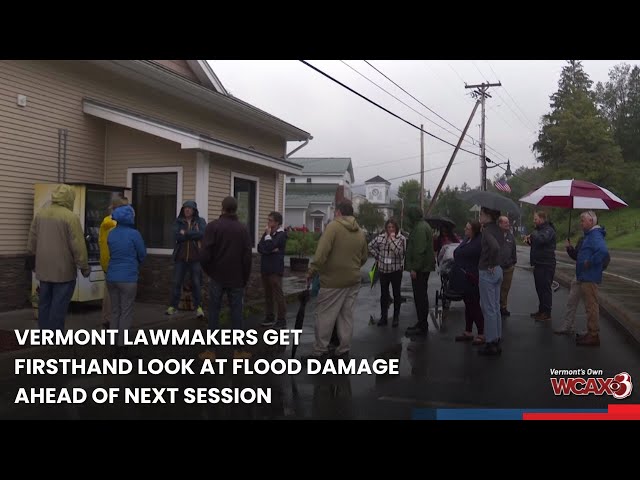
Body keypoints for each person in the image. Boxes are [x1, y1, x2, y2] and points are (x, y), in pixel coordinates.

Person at [304, 201, 368, 360]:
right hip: (353, 280)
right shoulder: (360, 231)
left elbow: (321, 253)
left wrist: (312, 270)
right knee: (346, 316)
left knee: (325, 315)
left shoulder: (333, 227)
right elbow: (364, 257)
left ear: (338, 212)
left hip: (333, 280)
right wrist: (353, 267)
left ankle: (320, 351)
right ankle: (344, 349)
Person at [26, 184, 90, 330]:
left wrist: (31, 257)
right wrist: (84, 266)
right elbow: (78, 245)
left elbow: (32, 239)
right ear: (69, 198)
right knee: (59, 305)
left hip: (43, 268)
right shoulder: (70, 217)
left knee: (44, 303)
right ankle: (55, 337)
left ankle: (43, 333)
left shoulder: (41, 214)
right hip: (63, 270)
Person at [199, 196, 253, 360]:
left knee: (214, 313)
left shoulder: (213, 227)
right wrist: (245, 277)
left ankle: (210, 350)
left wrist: (210, 271)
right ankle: (238, 350)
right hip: (237, 278)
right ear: (235, 209)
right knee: (236, 313)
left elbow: (205, 254)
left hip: (217, 277)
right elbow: (247, 257)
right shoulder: (242, 229)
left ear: (222, 208)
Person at [106, 204, 146, 357]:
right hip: (128, 277)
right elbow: (142, 254)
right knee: (126, 311)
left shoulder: (112, 234)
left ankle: (112, 345)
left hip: (111, 277)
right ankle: (123, 345)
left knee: (115, 311)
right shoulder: (134, 234)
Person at [166, 200, 207, 318]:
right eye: (185, 208)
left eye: (189, 208)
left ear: (194, 210)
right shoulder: (178, 221)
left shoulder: (200, 221)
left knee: (196, 283)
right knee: (176, 282)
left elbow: (203, 234)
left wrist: (187, 233)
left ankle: (198, 307)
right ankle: (173, 306)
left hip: (196, 258)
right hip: (181, 257)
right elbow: (176, 235)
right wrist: (192, 234)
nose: (187, 210)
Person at [574, 211, 609, 347]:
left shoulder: (595, 235)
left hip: (590, 276)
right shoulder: (590, 235)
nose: (581, 223)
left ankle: (593, 335)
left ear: (591, 221)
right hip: (586, 276)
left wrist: (590, 261)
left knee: (591, 306)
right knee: (589, 306)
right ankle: (590, 332)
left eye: (583, 221)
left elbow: (603, 251)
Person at [451, 221, 485, 345]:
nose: (465, 230)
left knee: (474, 305)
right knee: (468, 304)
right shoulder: (467, 239)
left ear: (474, 230)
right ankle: (468, 331)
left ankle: (481, 333)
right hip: (464, 276)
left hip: (473, 277)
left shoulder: (478, 242)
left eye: (467, 228)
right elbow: (458, 251)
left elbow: (469, 254)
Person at [368, 218, 406, 327]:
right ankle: (383, 317)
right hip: (383, 270)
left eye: (392, 227)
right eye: (389, 227)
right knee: (384, 295)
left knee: (396, 294)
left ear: (396, 228)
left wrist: (391, 240)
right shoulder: (380, 238)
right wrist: (378, 256)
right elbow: (370, 246)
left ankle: (395, 318)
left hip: (395, 270)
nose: (390, 229)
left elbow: (399, 252)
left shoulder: (401, 239)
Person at [404, 207, 435, 338]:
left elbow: (419, 250)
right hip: (423, 268)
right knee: (420, 297)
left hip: (421, 269)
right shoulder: (421, 226)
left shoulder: (420, 228)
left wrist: (415, 268)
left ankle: (422, 326)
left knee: (420, 297)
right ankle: (421, 323)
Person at [99, 196, 129, 329]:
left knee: (108, 291)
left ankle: (107, 318)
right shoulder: (114, 223)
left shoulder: (106, 221)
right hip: (116, 260)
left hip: (107, 260)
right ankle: (114, 319)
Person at [477, 207, 504, 356]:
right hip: (498, 271)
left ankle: (491, 342)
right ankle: (497, 337)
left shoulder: (487, 230)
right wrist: (496, 264)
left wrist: (491, 263)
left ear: (488, 216)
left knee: (488, 308)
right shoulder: (499, 229)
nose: (479, 216)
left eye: (481, 214)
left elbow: (494, 247)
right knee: (495, 307)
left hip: (487, 271)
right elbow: (500, 247)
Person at [523, 211, 557, 321]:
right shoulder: (539, 231)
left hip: (546, 264)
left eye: (535, 219)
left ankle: (547, 312)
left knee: (545, 289)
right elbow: (537, 244)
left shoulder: (549, 230)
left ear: (542, 219)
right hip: (538, 263)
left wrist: (533, 235)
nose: (534, 221)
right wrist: (529, 241)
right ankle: (541, 310)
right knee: (539, 288)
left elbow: (543, 239)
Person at [258, 211, 288, 329]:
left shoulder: (282, 235)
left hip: (275, 269)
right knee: (268, 294)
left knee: (277, 294)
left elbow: (270, 245)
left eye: (270, 220)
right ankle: (269, 316)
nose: (268, 222)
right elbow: (260, 247)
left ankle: (281, 319)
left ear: (277, 222)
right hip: (265, 267)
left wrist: (269, 243)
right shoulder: (267, 233)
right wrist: (269, 249)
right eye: (268, 220)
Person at [498, 216, 517, 317]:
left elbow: (513, 250)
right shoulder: (495, 236)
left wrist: (513, 262)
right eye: (505, 223)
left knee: (505, 289)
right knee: (497, 289)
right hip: (497, 267)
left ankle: (503, 307)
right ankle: (495, 307)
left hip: (508, 268)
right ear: (500, 224)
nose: (507, 224)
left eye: (508, 222)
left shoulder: (511, 236)